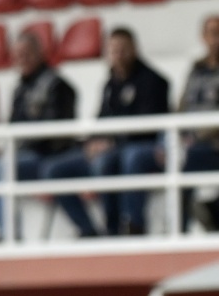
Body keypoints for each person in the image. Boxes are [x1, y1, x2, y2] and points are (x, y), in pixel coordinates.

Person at [41, 28, 170, 236]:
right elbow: (100, 120)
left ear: (134, 49)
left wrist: (112, 142)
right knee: (53, 170)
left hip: (136, 147)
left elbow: (149, 128)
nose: (118, 54)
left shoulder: (154, 81)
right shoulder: (110, 83)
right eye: (114, 50)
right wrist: (92, 142)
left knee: (111, 161)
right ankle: (88, 229)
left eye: (123, 49)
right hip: (109, 148)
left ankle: (124, 226)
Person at [0, 31, 78, 237]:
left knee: (1, 168)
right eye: (17, 54)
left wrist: (18, 144)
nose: (21, 59)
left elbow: (56, 133)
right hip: (21, 154)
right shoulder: (20, 89)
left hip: (46, 157)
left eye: (26, 53)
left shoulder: (59, 86)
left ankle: (8, 234)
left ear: (39, 53)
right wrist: (7, 147)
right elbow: (13, 127)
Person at [178, 15, 219, 230]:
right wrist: (178, 134)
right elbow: (181, 105)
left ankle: (204, 216)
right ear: (203, 37)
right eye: (212, 33)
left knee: (191, 159)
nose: (216, 39)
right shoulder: (196, 69)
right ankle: (181, 225)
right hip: (192, 141)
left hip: (212, 144)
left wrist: (203, 134)